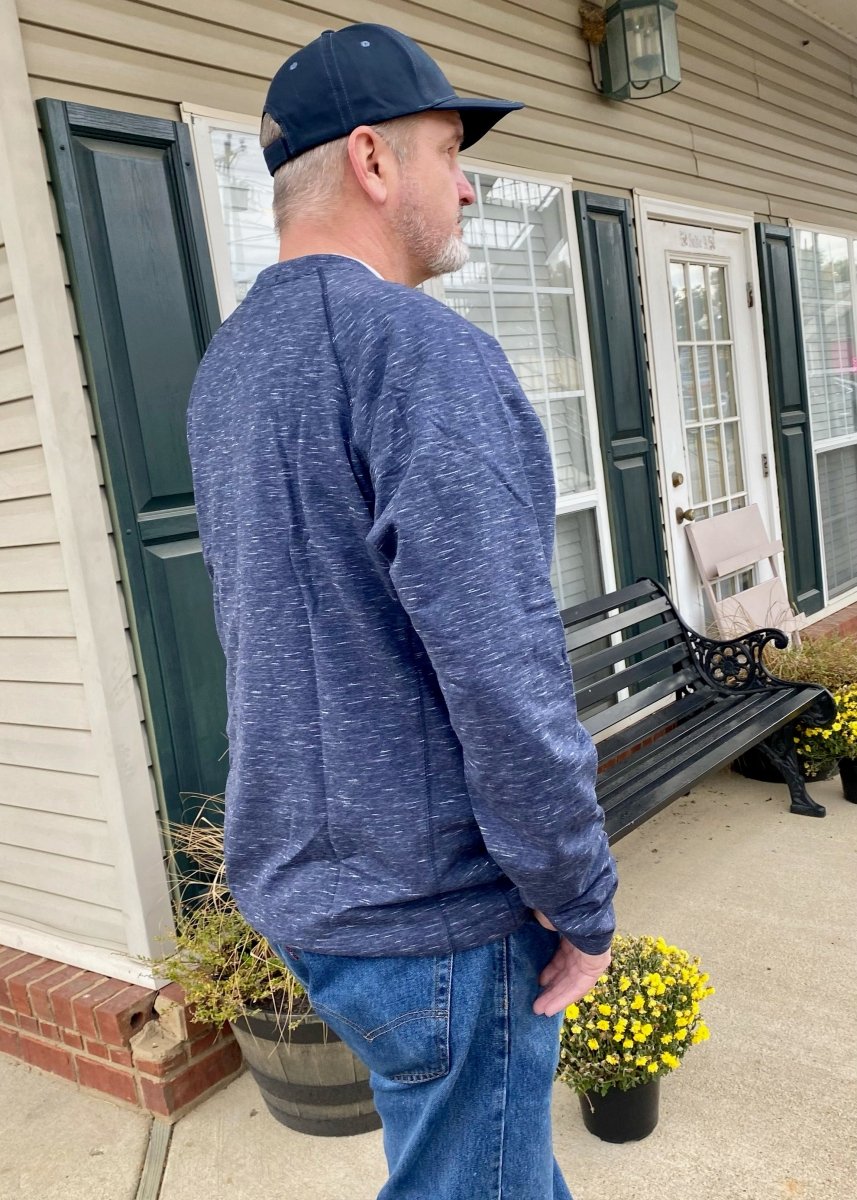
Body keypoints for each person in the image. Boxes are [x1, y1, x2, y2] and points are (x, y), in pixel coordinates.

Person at [186, 22, 618, 1199]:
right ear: (373, 160)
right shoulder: (420, 354)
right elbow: (501, 673)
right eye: (448, 152)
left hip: (311, 892)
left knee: (485, 1167)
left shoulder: (231, 369)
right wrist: (579, 898)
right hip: (435, 914)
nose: (467, 185)